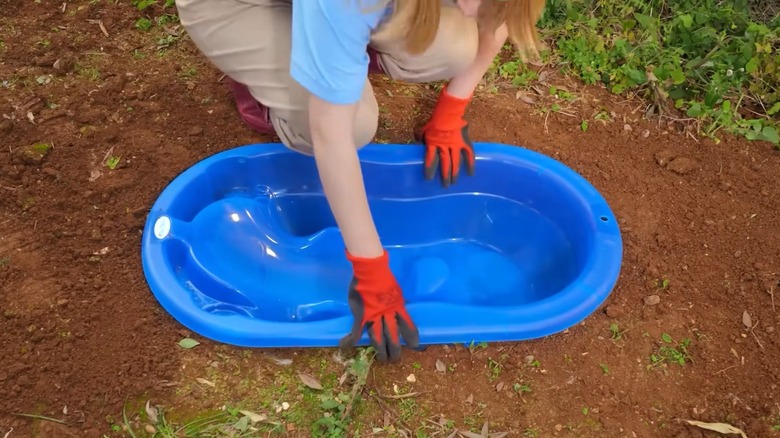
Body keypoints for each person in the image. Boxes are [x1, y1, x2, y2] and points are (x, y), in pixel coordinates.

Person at [174, 0, 546, 362]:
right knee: (352, 126)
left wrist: (451, 110)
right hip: (238, 6)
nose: (469, 9)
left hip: (332, 10)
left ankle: (337, 54)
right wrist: (370, 270)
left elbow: (498, 17)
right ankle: (274, 86)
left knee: (456, 44)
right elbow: (330, 135)